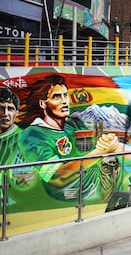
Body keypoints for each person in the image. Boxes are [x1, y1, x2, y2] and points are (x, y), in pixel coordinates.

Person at [18, 74, 121, 202]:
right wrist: (99, 153)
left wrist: (107, 142)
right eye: (56, 97)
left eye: (65, 95)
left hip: (101, 189)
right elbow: (57, 178)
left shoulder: (73, 124)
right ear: (42, 103)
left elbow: (94, 147)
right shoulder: (33, 135)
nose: (64, 101)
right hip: (71, 198)